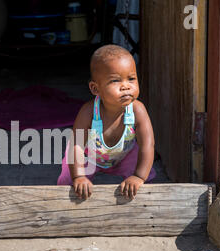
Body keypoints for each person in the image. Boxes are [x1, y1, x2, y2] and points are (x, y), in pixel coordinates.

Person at [57, 44, 156, 200]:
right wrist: (78, 177)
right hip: (90, 157)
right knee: (69, 181)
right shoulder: (88, 112)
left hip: (125, 155)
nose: (126, 86)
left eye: (131, 79)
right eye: (115, 81)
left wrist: (138, 176)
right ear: (95, 89)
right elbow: (76, 146)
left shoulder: (137, 110)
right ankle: (63, 202)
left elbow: (148, 145)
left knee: (145, 176)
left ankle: (147, 202)